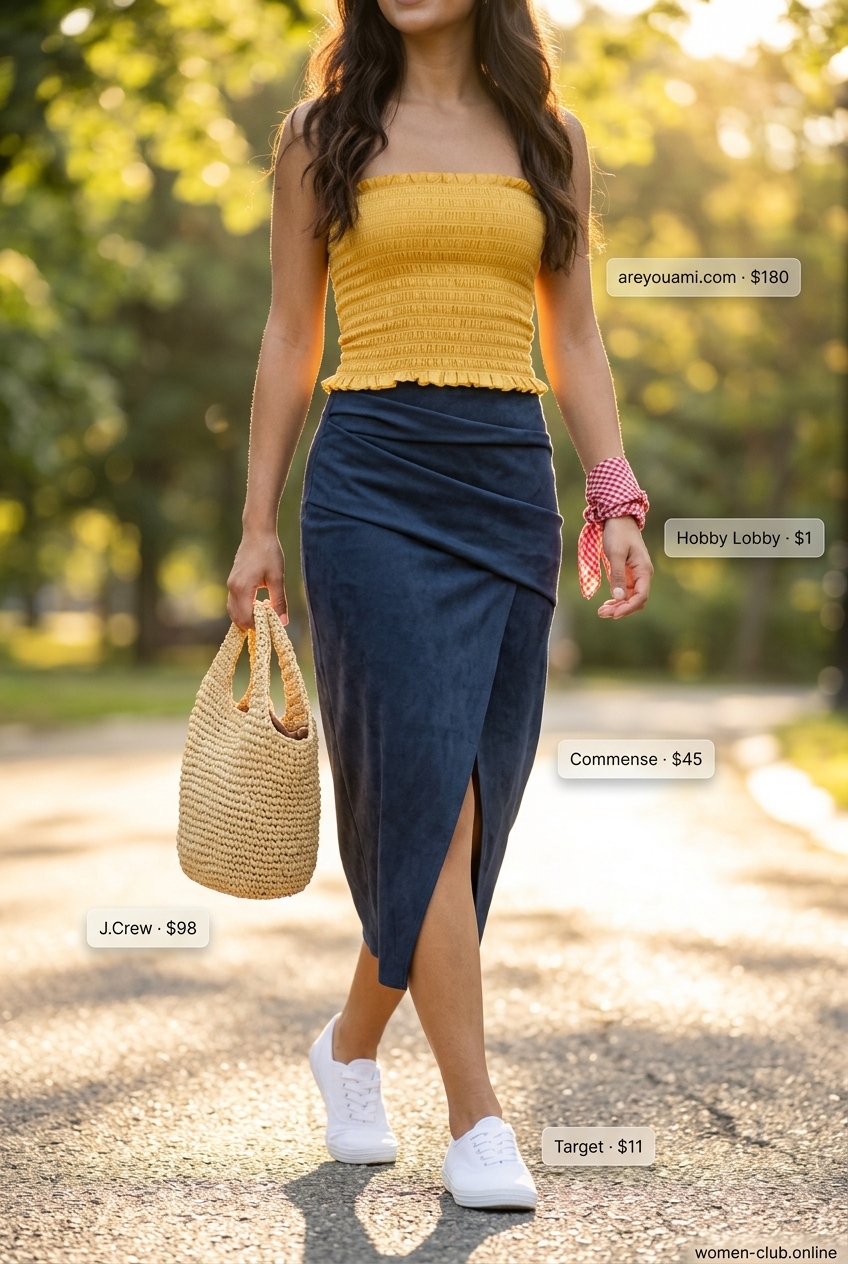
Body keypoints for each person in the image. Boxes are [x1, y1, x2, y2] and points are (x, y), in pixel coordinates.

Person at [226, 0, 653, 1212]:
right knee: (432, 792)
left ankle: (349, 1043)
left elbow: (571, 334)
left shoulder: (547, 139)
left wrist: (611, 493)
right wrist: (258, 521)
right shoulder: (321, 133)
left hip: (503, 479)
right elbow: (290, 331)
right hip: (368, 476)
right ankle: (477, 1117)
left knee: (476, 795)